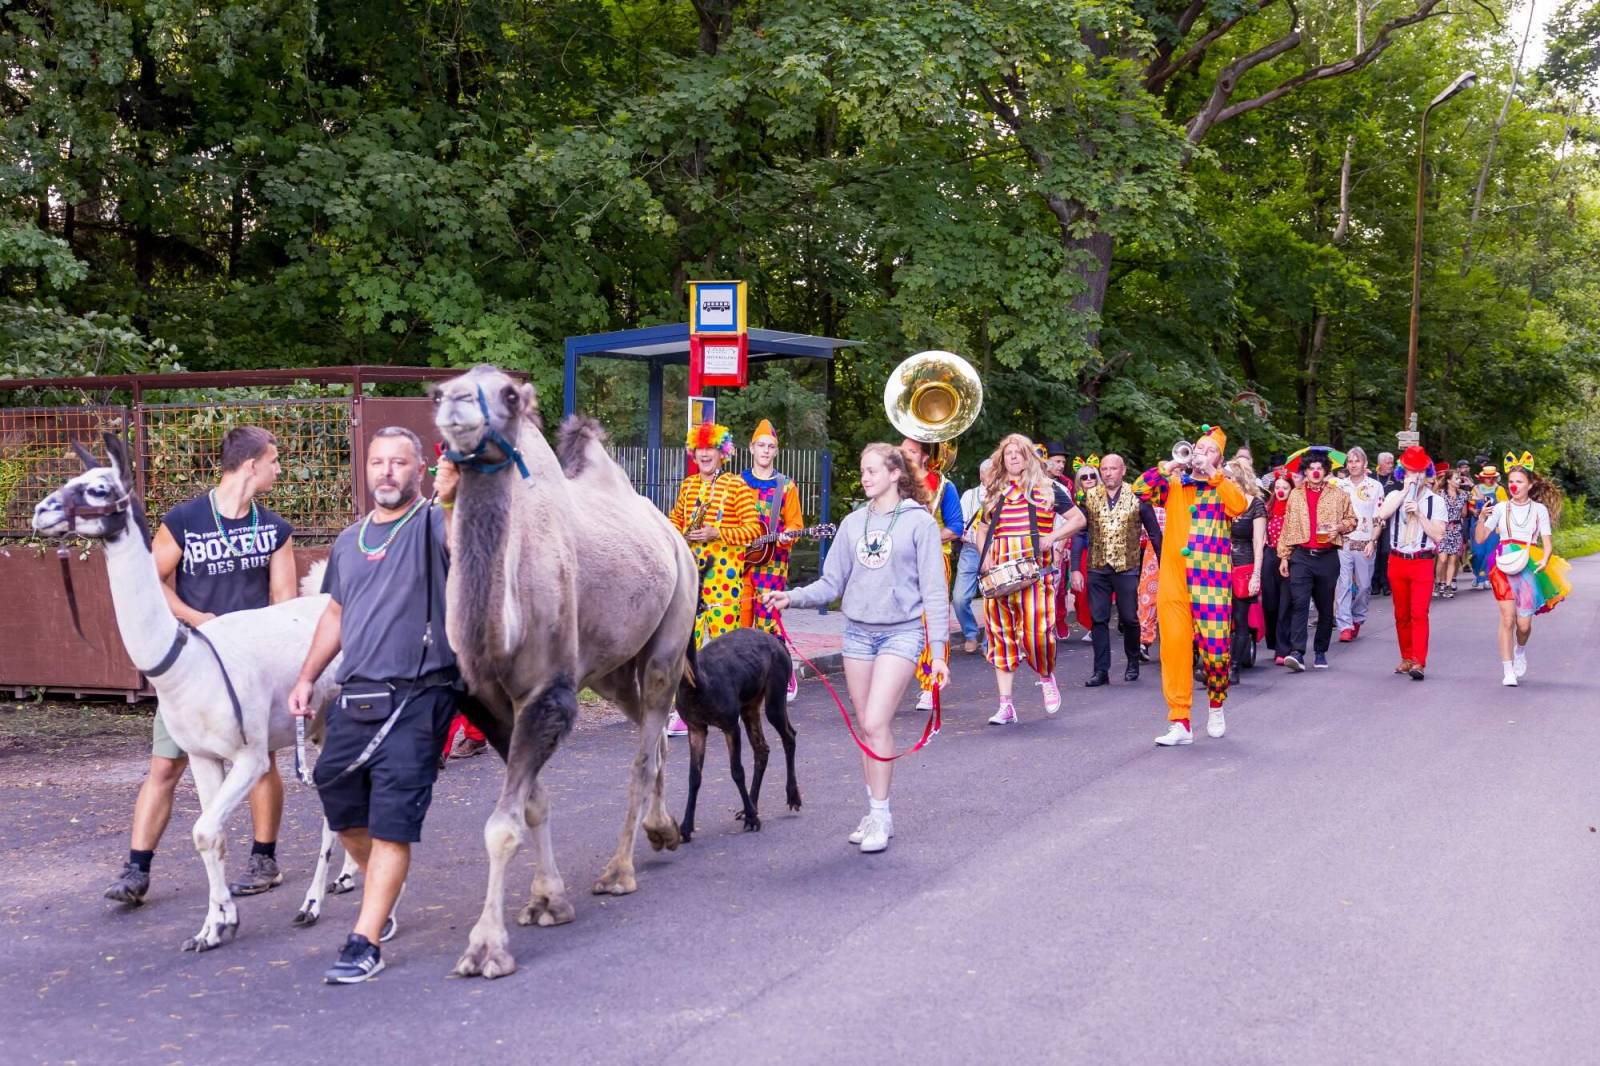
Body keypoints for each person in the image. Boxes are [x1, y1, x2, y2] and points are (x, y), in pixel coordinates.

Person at [290, 427, 459, 984]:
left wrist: (454, 496)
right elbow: (336, 615)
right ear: (366, 470)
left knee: (391, 822)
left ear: (419, 471)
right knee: (337, 800)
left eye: (400, 463)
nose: (387, 472)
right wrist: (307, 676)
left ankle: (364, 939)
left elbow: (464, 548)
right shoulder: (349, 540)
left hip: (421, 692)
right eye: (378, 462)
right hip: (354, 693)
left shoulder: (434, 522)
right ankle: (382, 894)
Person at [103, 426, 296, 906]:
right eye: (273, 460)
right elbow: (152, 583)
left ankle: (263, 859)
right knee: (166, 765)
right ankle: (136, 869)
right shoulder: (186, 519)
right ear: (251, 465)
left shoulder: (274, 529)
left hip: (249, 668)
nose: (278, 469)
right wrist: (197, 619)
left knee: (261, 760)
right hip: (191, 670)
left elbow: (285, 601)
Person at [760, 444, 948, 854]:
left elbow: (935, 591)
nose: (864, 478)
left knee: (878, 722)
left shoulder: (920, 523)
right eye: (861, 471)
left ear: (896, 473)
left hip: (900, 634)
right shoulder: (852, 523)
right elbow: (832, 584)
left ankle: (880, 816)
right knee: (866, 728)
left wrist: (937, 650)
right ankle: (875, 809)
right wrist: (791, 597)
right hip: (858, 635)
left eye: (871, 470)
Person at [1135, 424, 1249, 746]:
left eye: (1209, 449)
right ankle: (1180, 721)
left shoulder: (1223, 486)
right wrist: (1170, 465)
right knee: (1173, 649)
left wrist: (1215, 473)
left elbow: (1239, 506)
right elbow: (1138, 490)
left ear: (1220, 458)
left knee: (1214, 650)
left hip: (1210, 579)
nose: (1201, 453)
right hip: (1173, 578)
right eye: (1199, 448)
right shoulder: (1173, 484)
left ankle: (1216, 705)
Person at [974, 435, 1082, 724]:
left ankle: (1046, 677)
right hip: (999, 576)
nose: (1012, 457)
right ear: (1002, 458)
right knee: (1000, 635)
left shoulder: (1048, 490)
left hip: (1035, 573)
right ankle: (1005, 705)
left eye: (1018, 453)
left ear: (1028, 457)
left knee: (1036, 633)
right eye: (1008, 453)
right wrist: (984, 555)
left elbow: (1078, 519)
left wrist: (1053, 537)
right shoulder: (994, 491)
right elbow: (982, 529)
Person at [667, 421, 762, 735]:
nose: (704, 454)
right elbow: (673, 523)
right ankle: (686, 710)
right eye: (699, 448)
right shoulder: (689, 485)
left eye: (710, 448)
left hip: (725, 579)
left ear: (722, 453)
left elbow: (754, 530)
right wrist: (682, 535)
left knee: (723, 647)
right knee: (688, 643)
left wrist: (716, 532)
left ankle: (728, 704)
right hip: (692, 578)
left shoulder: (737, 486)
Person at [1474, 455, 1572, 686]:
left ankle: (1520, 650)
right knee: (1507, 619)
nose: (1514, 486)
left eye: (1519, 481)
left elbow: (1547, 542)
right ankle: (1508, 670)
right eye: (1511, 481)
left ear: (1530, 484)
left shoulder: (1539, 510)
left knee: (1523, 625)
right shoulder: (1499, 508)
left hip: (1528, 563)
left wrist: (1545, 559)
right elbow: (1480, 538)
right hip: (1502, 564)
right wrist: (1480, 519)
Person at [1076, 453, 1162, 687]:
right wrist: (1075, 568)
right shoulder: (1089, 497)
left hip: (1127, 567)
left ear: (1122, 471)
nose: (1108, 473)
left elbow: (1154, 532)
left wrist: (1165, 565)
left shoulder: (1137, 497)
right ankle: (1100, 670)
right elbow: (1080, 532)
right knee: (1099, 619)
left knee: (1129, 618)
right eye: (1104, 469)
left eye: (1113, 469)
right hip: (1097, 567)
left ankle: (1133, 661)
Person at [1277, 449, 1358, 672]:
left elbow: (1353, 520)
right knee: (1299, 603)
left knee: (1324, 607)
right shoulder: (1296, 494)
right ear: (1305, 471)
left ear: (1325, 471)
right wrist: (1284, 555)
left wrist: (1338, 527)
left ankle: (1321, 650)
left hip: (1327, 556)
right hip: (1301, 556)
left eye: (1319, 468)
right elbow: (1288, 526)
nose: (1315, 472)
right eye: (1311, 468)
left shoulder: (1338, 494)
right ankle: (1297, 652)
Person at [741, 419, 805, 698]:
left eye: (771, 447)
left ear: (776, 452)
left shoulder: (786, 487)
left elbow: (796, 525)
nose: (766, 451)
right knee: (739, 624)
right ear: (751, 448)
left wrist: (788, 536)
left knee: (768, 623)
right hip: (739, 564)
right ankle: (743, 681)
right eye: (761, 446)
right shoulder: (736, 483)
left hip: (773, 564)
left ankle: (785, 674)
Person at [900, 438, 964, 712]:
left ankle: (930, 684)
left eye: (912, 452)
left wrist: (925, 539)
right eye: (902, 451)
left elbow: (956, 527)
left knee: (930, 622)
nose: (905, 456)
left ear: (925, 457)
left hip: (934, 559)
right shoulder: (893, 483)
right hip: (900, 562)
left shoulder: (944, 487)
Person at [1372, 446, 1446, 680]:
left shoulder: (1436, 501)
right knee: (1401, 614)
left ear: (1428, 473)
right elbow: (1382, 515)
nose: (1416, 477)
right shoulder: (1395, 495)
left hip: (1422, 561)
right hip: (1397, 560)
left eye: (1420, 472)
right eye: (1411, 471)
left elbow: (1439, 535)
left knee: (1419, 613)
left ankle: (1418, 662)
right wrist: (1405, 493)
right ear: (1403, 473)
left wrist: (1421, 514)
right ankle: (1406, 657)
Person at [1332, 446, 1385, 642]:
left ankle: (1357, 617)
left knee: (1364, 586)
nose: (1353, 465)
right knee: (1343, 584)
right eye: (1350, 461)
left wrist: (1373, 540)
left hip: (1365, 542)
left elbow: (1379, 517)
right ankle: (1344, 624)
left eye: (1357, 461)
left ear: (1365, 464)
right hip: (1343, 542)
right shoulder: (1339, 485)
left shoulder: (1374, 486)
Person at [1225, 458, 1266, 684]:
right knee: (1217, 619)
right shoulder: (1219, 502)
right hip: (1218, 566)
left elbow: (1258, 541)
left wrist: (1256, 575)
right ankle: (1214, 664)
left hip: (1244, 565)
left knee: (1240, 619)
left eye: (1229, 478)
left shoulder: (1254, 504)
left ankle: (1235, 666)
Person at [953, 459, 993, 654]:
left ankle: (988, 642)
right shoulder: (970, 495)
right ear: (981, 476)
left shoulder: (1005, 495)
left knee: (992, 597)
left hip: (994, 550)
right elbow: (959, 522)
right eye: (990, 472)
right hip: (970, 550)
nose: (995, 475)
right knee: (959, 598)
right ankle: (970, 633)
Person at [1261, 470, 1293, 665]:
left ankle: (1283, 648)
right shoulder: (1267, 508)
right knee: (1270, 604)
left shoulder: (1295, 509)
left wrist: (1287, 556)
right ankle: (1274, 643)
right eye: (1278, 488)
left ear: (1291, 489)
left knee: (1285, 605)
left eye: (1285, 488)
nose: (1281, 491)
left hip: (1289, 557)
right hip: (1270, 555)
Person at [1467, 465, 1507, 590]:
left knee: (1490, 551)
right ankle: (1478, 574)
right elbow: (1470, 505)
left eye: (1492, 477)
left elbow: (1505, 507)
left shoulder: (1499, 489)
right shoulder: (1476, 489)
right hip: (1478, 523)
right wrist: (1473, 511)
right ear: (1483, 478)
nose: (1490, 480)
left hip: (1494, 526)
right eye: (1487, 477)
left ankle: (1485, 578)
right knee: (1477, 552)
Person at [1433, 467, 1468, 598]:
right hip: (1442, 528)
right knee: (1442, 559)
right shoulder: (1441, 494)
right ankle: (1438, 583)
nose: (1459, 481)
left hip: (1457, 528)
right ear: (1448, 480)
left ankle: (1447, 586)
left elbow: (1465, 513)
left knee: (1453, 559)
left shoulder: (1463, 494)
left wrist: (1472, 485)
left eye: (1460, 478)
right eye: (1456, 478)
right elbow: (1431, 500)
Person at [1371, 450, 1400, 595]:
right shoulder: (1370, 478)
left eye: (1391, 462)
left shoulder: (1396, 479)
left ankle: (1386, 582)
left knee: (1385, 552)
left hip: (1390, 520)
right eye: (1387, 463)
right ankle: (1374, 583)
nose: (1390, 465)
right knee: (1374, 550)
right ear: (1380, 463)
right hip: (1373, 520)